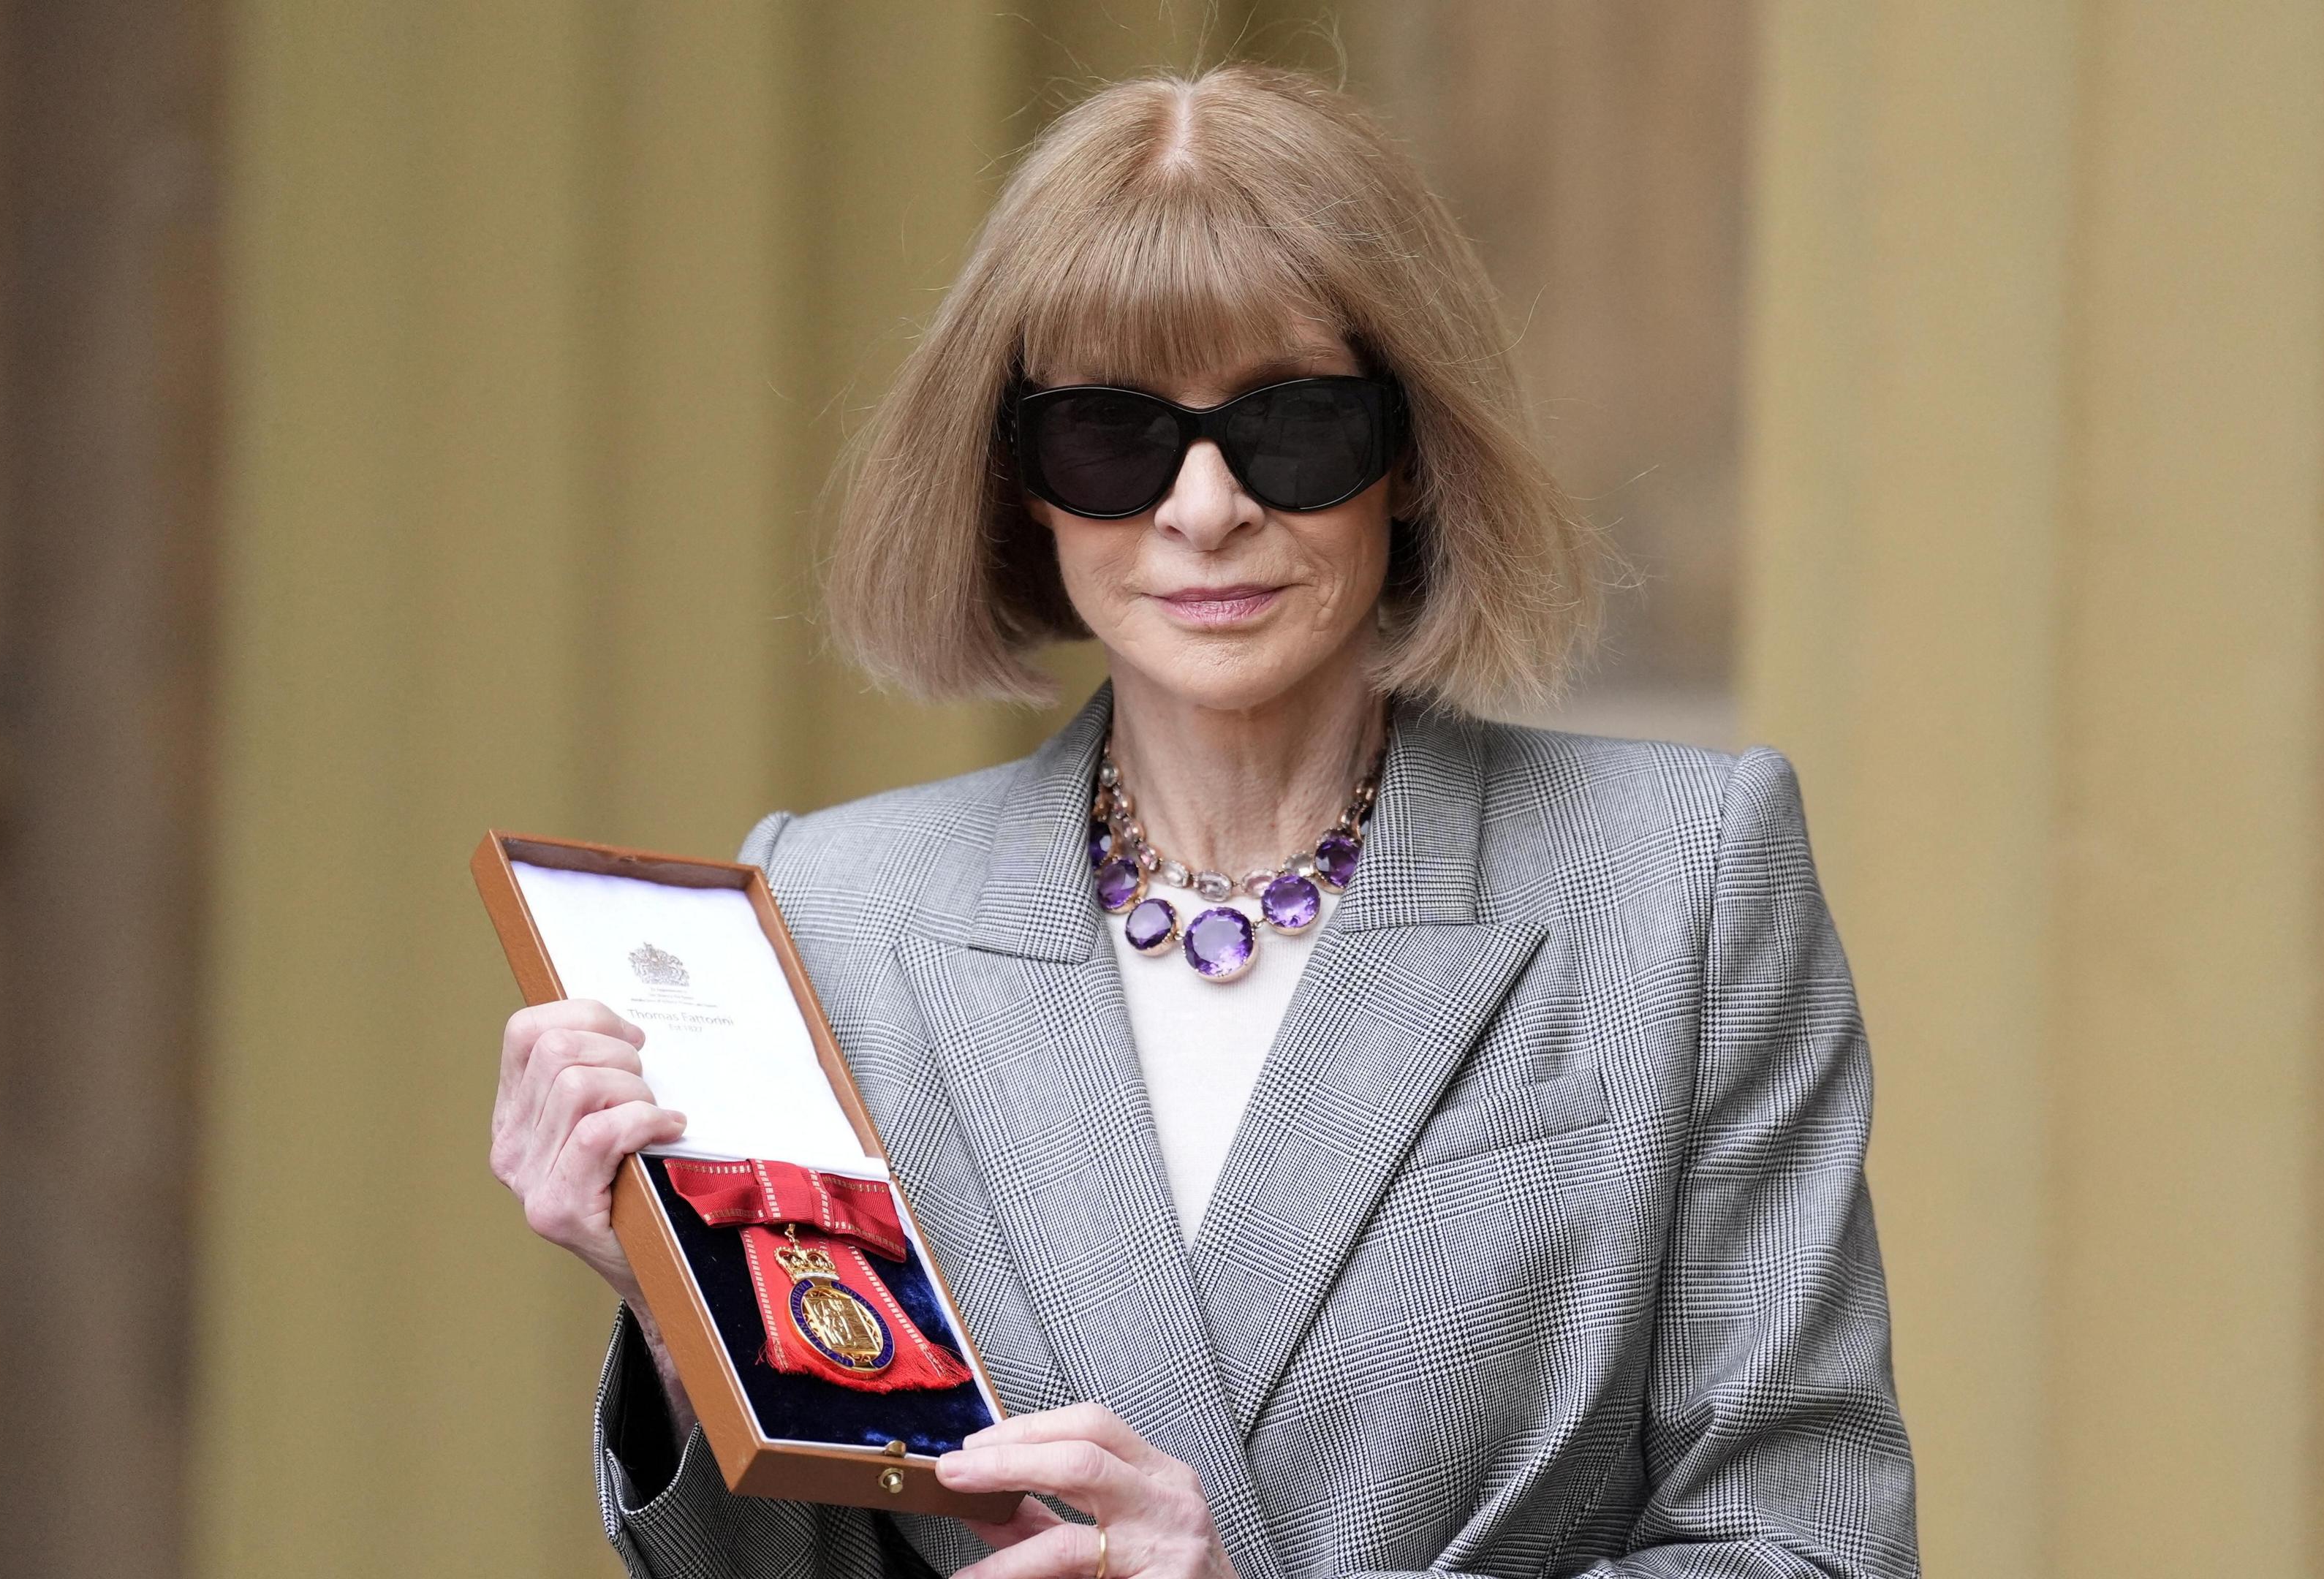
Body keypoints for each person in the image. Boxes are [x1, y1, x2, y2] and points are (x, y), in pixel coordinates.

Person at [488, 64, 1916, 1579]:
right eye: (1112, 437)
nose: (1206, 507)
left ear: (1412, 454)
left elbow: (1808, 1548)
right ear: (1017, 480)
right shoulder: (831, 908)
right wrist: (673, 1289)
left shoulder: (1679, 879)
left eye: (1295, 427)